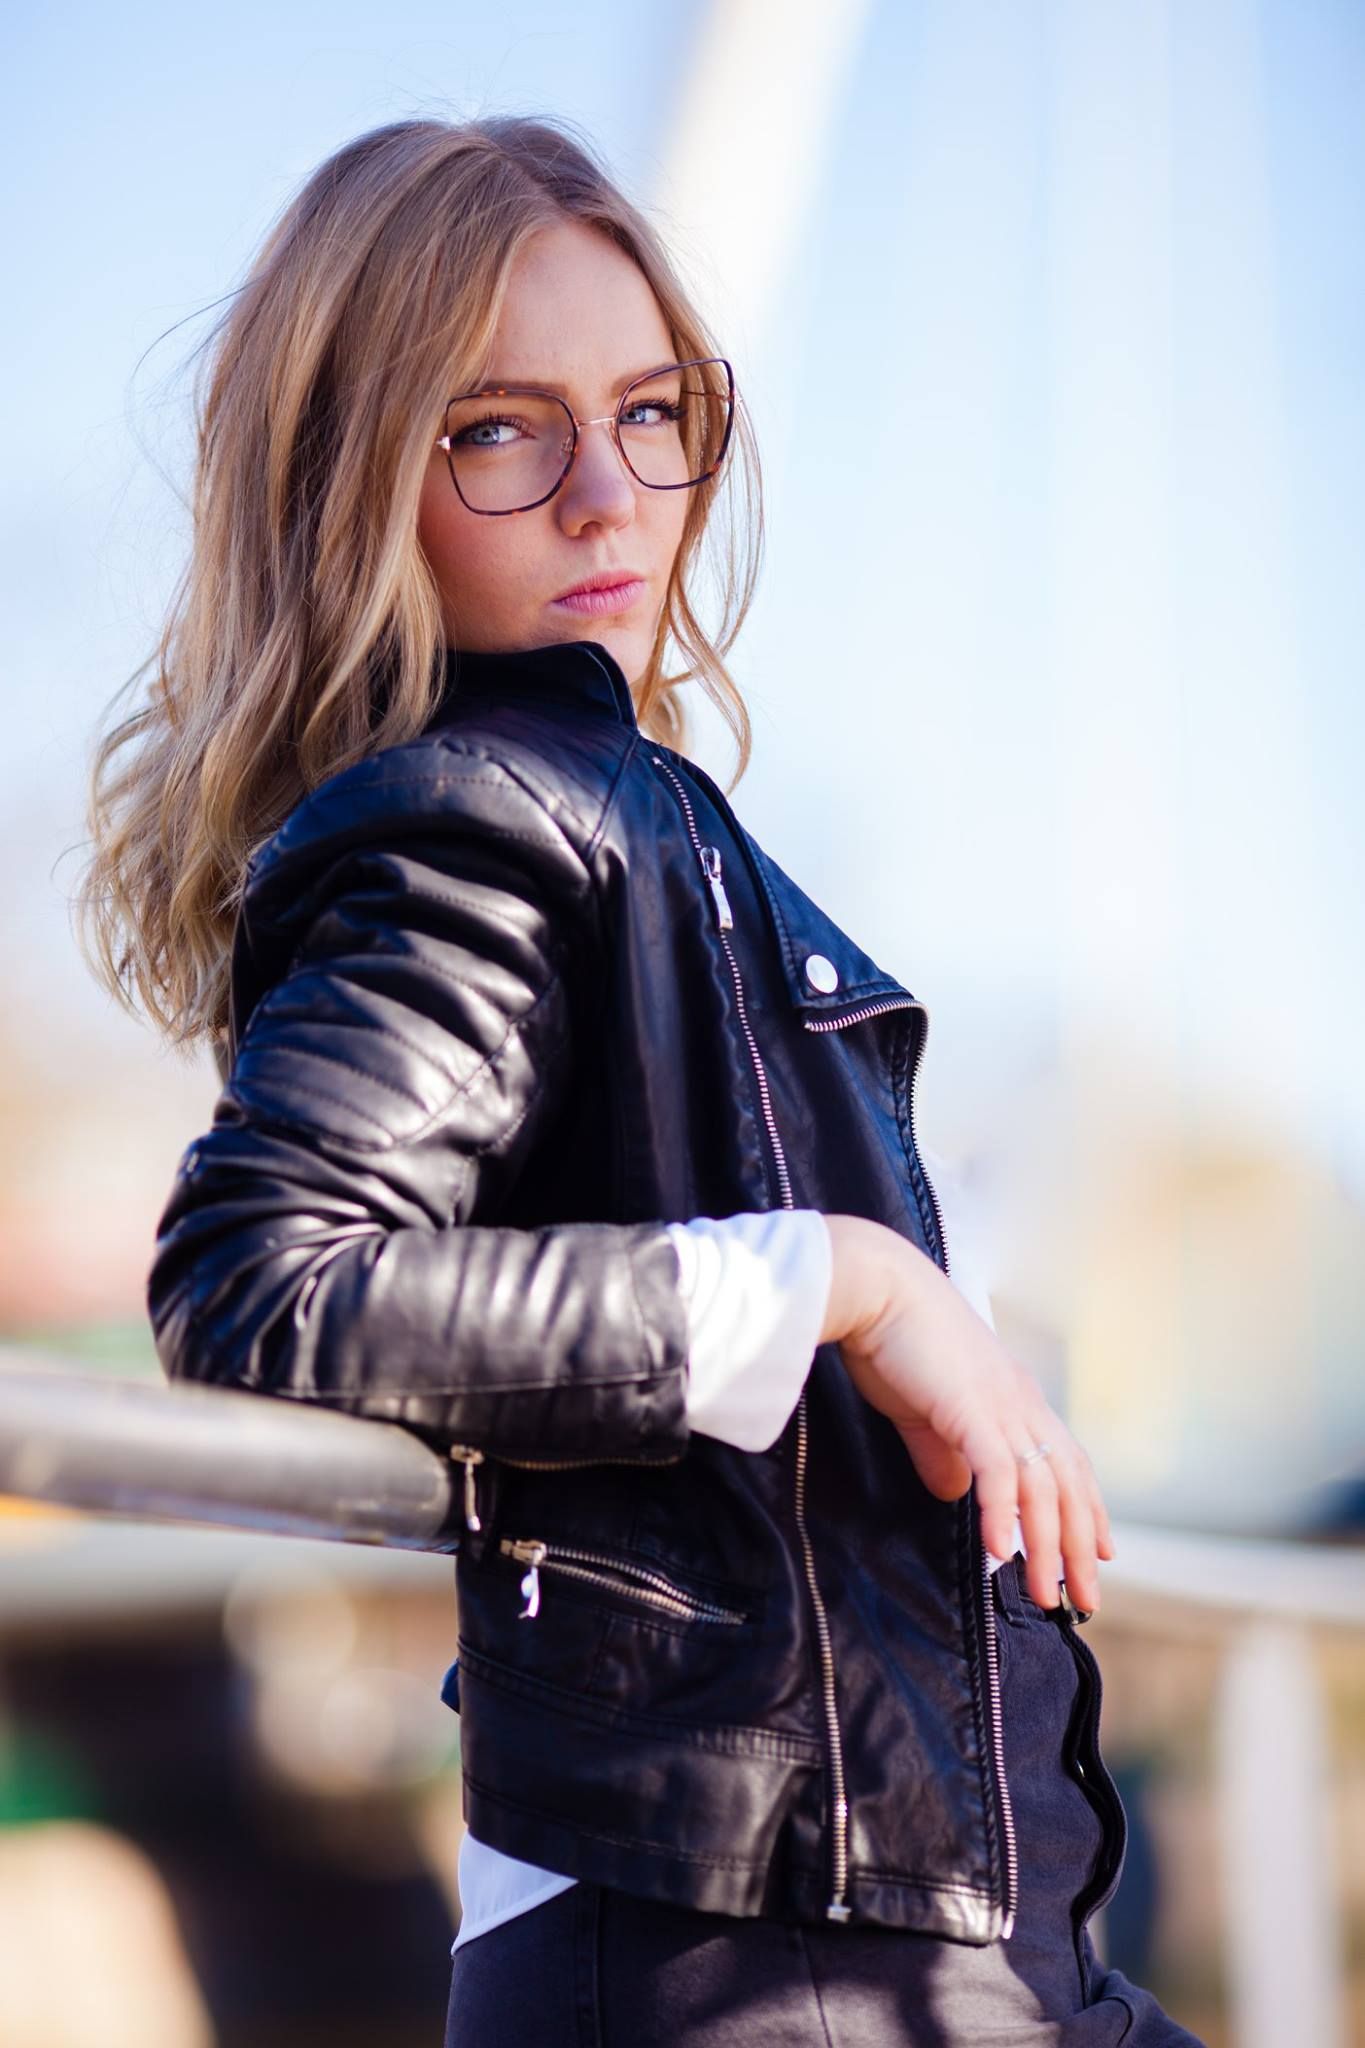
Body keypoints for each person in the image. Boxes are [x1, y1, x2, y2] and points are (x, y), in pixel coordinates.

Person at [76, 113, 1207, 2047]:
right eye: (500, 427)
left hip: (909, 1924)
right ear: (353, 480)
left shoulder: (623, 808)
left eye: (652, 409)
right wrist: (848, 1278)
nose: (611, 494)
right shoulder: (479, 809)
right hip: (752, 1949)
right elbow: (268, 1286)